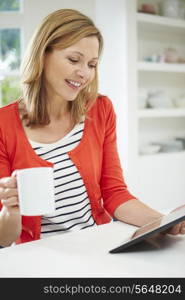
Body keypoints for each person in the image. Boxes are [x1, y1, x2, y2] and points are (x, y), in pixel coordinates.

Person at [0, 9, 184, 247]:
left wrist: (164, 222)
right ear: (42, 54)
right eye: (74, 60)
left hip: (95, 246)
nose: (84, 73)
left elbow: (114, 193)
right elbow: (4, 238)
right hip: (37, 256)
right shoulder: (3, 125)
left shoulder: (101, 110)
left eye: (92, 64)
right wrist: (11, 210)